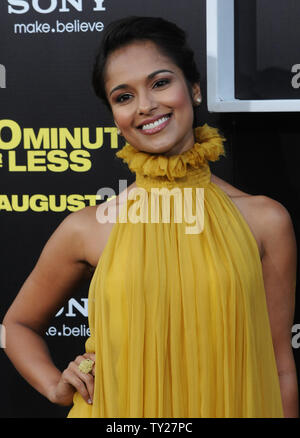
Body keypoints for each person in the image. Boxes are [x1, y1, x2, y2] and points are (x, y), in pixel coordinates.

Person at [2, 16, 298, 418]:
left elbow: (280, 366)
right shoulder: (87, 228)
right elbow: (16, 326)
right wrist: (55, 386)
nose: (145, 106)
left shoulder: (264, 220)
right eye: (123, 97)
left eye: (160, 83)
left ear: (193, 89)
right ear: (114, 116)